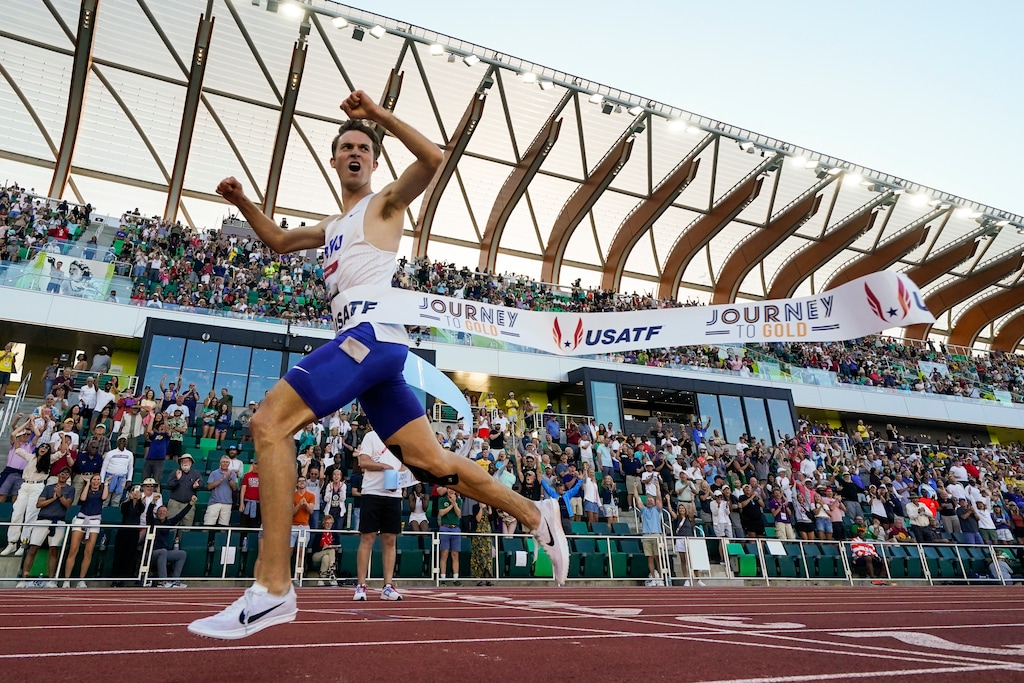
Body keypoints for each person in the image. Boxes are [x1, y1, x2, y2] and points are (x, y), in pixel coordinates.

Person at [189, 92, 568, 640]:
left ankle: (272, 589)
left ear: (373, 160)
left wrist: (377, 116)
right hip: (374, 356)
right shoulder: (332, 225)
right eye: (346, 146)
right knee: (431, 462)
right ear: (333, 159)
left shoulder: (385, 203)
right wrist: (243, 201)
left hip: (371, 337)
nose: (354, 152)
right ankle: (534, 513)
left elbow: (434, 159)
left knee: (269, 422)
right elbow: (277, 240)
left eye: (363, 147)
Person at [16, 467, 74, 587]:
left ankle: (51, 580)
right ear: (58, 475)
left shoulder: (70, 489)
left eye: (66, 473)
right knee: (33, 548)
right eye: (62, 473)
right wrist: (53, 498)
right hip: (43, 519)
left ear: (69, 476)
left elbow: (68, 505)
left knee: (54, 550)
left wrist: (60, 496)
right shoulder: (48, 488)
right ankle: (24, 578)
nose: (63, 475)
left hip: (58, 522)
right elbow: (39, 504)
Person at [62, 474, 109, 587]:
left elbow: (104, 497)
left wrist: (106, 483)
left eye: (98, 480)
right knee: (73, 550)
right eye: (94, 479)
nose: (96, 481)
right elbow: (82, 499)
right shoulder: (86, 491)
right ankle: (66, 580)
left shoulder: (101, 492)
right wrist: (87, 483)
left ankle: (81, 580)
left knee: (88, 552)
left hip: (94, 521)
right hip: (81, 519)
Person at [147, 497, 196, 588]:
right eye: (160, 511)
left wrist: (190, 504)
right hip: (152, 553)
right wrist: (153, 502)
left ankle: (174, 580)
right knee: (163, 551)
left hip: (164, 553)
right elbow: (149, 514)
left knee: (182, 554)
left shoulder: (168, 523)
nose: (162, 513)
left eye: (164, 511)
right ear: (156, 513)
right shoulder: (152, 521)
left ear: (167, 514)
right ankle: (163, 581)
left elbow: (180, 515)